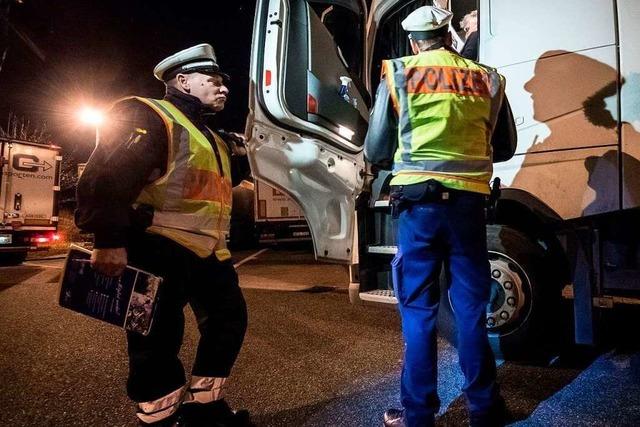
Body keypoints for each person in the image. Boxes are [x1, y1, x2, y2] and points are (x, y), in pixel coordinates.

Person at [75, 43, 251, 427]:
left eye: (224, 82)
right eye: (214, 80)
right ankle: (158, 419)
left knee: (229, 322)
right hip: (155, 247)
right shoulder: (146, 113)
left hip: (208, 254)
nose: (224, 88)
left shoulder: (214, 136)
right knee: (154, 342)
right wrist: (107, 240)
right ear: (184, 80)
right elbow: (105, 179)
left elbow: (216, 187)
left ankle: (205, 407)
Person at [364, 6, 517, 427]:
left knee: (418, 310)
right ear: (448, 35)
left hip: (418, 209)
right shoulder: (486, 77)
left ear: (414, 41)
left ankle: (418, 414)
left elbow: (376, 151)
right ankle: (484, 410)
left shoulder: (399, 73)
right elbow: (503, 147)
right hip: (469, 207)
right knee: (470, 308)